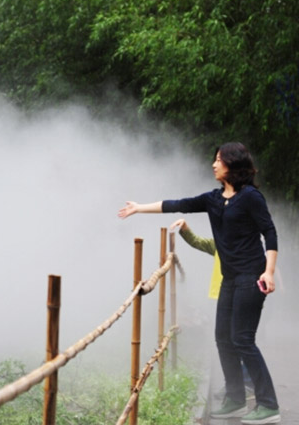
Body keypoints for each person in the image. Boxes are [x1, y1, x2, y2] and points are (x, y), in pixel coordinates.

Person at [118, 142, 280, 425]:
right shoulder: (214, 199)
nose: (214, 164)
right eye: (214, 159)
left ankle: (268, 405)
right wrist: (138, 208)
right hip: (230, 279)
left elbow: (270, 232)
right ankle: (235, 398)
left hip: (251, 276)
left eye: (219, 160)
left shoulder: (251, 197)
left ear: (233, 164)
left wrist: (269, 272)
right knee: (222, 338)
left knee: (243, 339)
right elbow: (177, 204)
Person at [170, 218, 254, 400]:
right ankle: (234, 385)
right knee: (228, 344)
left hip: (235, 297)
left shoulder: (244, 246)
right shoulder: (219, 244)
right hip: (219, 297)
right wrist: (185, 229)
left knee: (237, 341)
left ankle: (245, 384)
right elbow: (198, 242)